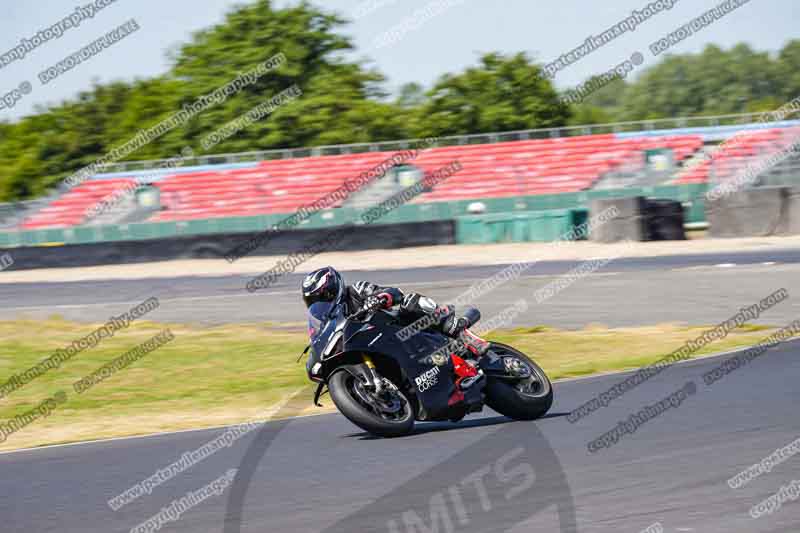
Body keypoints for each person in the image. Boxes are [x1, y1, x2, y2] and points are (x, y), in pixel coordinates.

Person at [300, 266, 489, 359]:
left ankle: (461, 333)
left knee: (411, 302)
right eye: (315, 301)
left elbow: (394, 292)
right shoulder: (328, 321)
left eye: (323, 296)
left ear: (335, 287)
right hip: (380, 347)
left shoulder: (356, 291)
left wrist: (379, 298)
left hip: (399, 326)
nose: (321, 303)